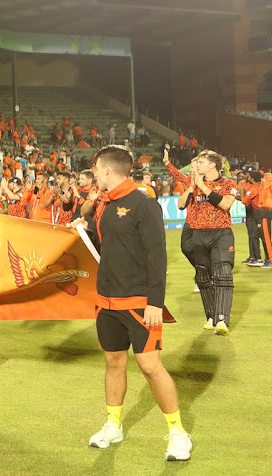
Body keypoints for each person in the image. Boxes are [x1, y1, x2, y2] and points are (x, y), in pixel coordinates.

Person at [72, 145, 191, 461]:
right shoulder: (104, 205)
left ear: (107, 170)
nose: (94, 174)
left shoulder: (144, 204)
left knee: (150, 366)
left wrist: (155, 302)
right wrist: (81, 233)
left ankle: (178, 433)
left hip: (139, 302)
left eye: (96, 169)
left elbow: (157, 255)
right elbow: (106, 246)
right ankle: (113, 425)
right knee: (114, 361)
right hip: (106, 302)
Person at [164, 149, 238, 335]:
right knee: (203, 278)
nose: (196, 165)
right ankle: (211, 317)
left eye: (201, 162)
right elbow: (180, 205)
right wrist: (191, 187)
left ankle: (222, 320)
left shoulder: (229, 183)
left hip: (220, 233)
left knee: (223, 275)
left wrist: (203, 187)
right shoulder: (193, 184)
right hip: (198, 234)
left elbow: (225, 204)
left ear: (213, 164)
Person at [240, 171, 272, 268]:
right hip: (263, 213)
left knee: (265, 238)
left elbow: (244, 200)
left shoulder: (254, 188)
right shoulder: (264, 186)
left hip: (261, 213)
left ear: (252, 179)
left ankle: (271, 260)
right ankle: (259, 259)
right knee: (257, 235)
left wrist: (242, 191)